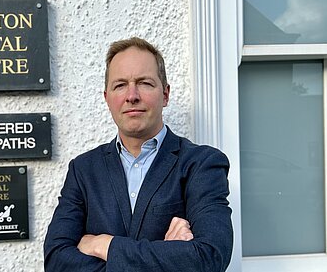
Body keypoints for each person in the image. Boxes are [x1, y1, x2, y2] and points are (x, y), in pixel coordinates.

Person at [44, 37, 233, 271]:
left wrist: (104, 245)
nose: (131, 95)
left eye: (144, 83)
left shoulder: (201, 164)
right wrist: (169, 256)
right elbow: (56, 260)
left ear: (165, 95)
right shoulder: (83, 170)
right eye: (120, 85)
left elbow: (209, 257)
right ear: (107, 99)